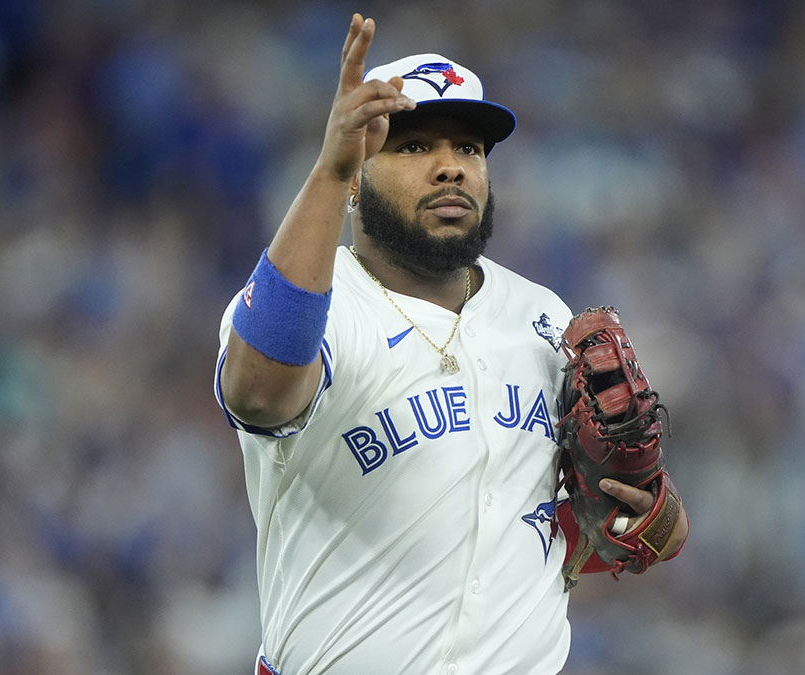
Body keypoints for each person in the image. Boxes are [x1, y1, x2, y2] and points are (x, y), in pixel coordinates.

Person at [214, 14, 665, 674]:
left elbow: (529, 526)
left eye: (469, 148)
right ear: (356, 175)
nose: (450, 168)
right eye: (414, 147)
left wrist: (630, 512)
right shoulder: (309, 298)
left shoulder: (541, 315)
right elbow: (258, 393)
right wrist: (327, 173)